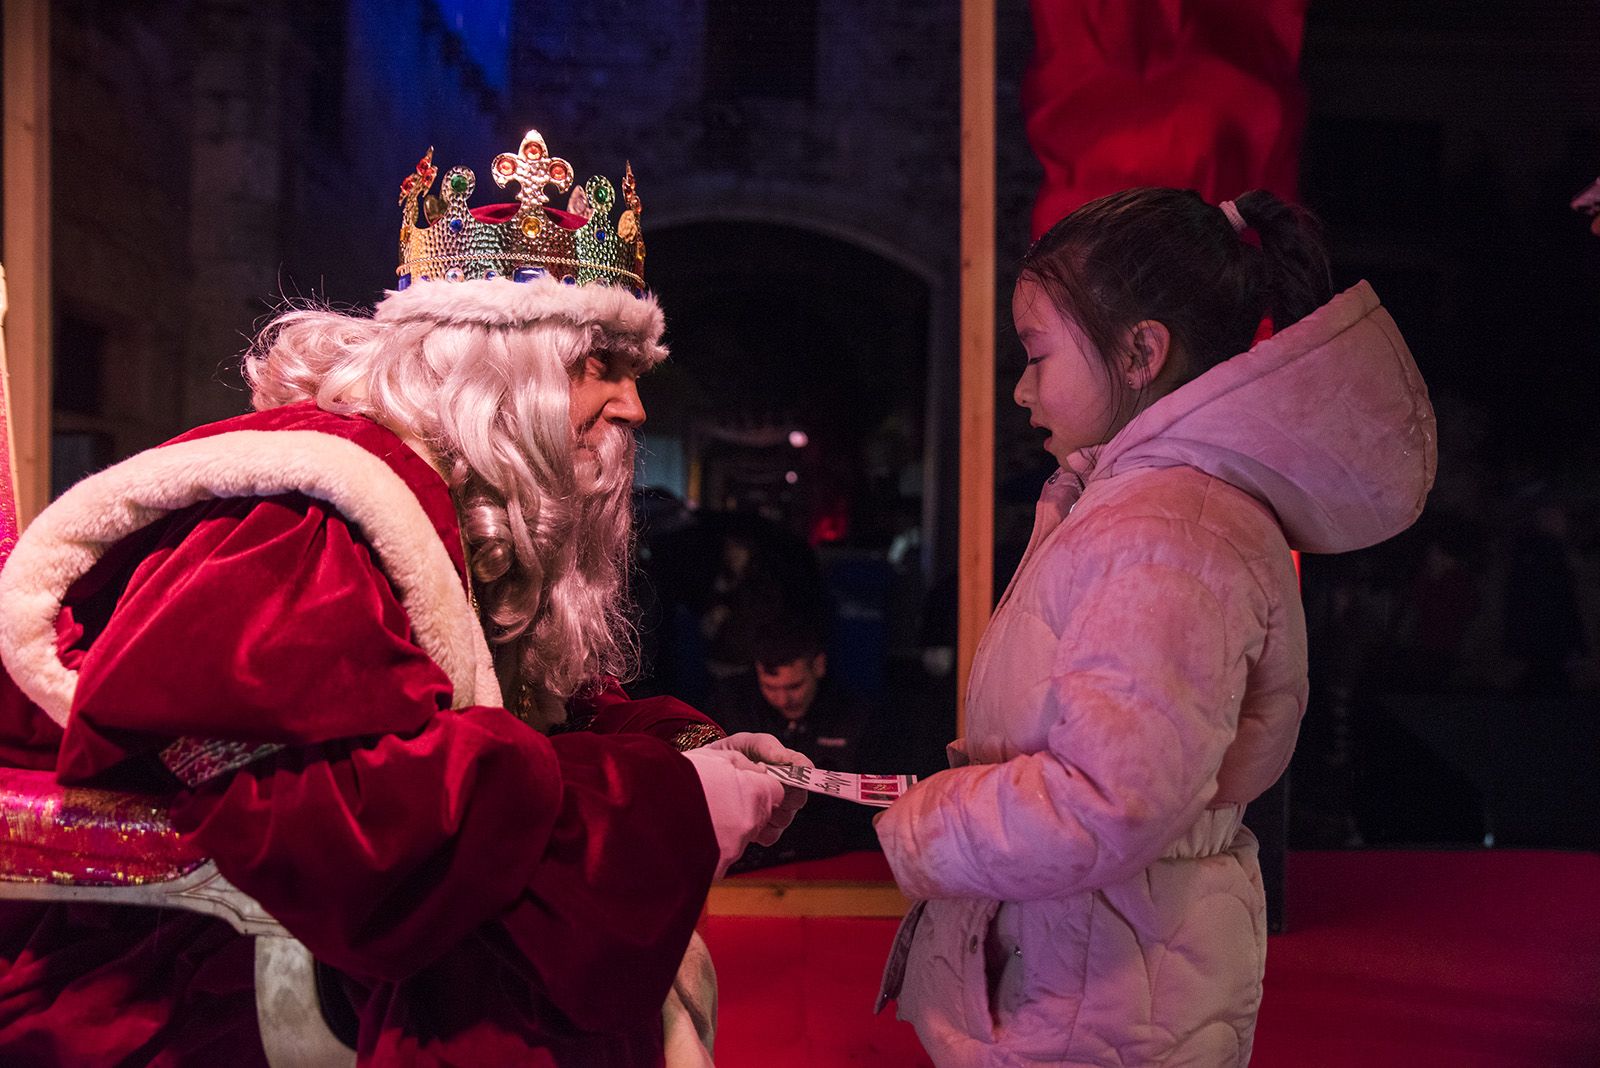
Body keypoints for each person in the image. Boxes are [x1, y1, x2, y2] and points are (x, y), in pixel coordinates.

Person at [0, 130, 808, 1066]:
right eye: (602, 366)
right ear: (499, 371)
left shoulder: (453, 498)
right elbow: (337, 822)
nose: (633, 407)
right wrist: (665, 803)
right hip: (186, 980)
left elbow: (503, 711)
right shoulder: (304, 516)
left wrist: (682, 748)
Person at [874, 188, 1435, 1066]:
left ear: (1140, 351)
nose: (1021, 388)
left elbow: (1110, 796)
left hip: (1099, 1003)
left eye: (1037, 354)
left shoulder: (1168, 535)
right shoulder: (1143, 508)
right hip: (1094, 972)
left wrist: (928, 825)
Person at [715, 625, 877, 870]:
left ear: (818, 666)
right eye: (770, 687)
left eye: (794, 686)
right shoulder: (732, 708)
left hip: (833, 854)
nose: (783, 700)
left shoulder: (856, 715)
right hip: (750, 855)